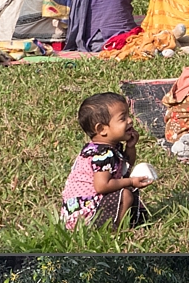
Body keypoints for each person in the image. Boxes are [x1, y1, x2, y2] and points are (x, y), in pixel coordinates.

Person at [61, 92, 153, 230]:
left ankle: (127, 222)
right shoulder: (103, 154)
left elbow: (126, 166)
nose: (130, 121)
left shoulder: (106, 147)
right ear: (102, 129)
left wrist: (130, 147)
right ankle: (113, 230)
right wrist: (131, 182)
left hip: (86, 206)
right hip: (84, 212)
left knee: (128, 193)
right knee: (126, 194)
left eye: (128, 116)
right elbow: (102, 186)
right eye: (123, 118)